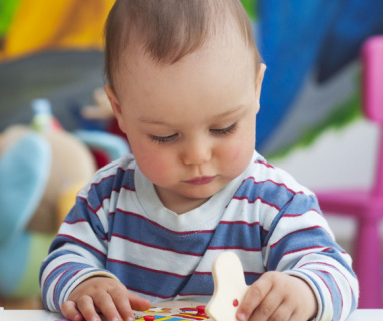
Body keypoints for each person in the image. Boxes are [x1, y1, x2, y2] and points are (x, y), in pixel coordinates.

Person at [39, 1, 359, 321]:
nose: (197, 156)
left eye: (223, 128)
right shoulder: (106, 196)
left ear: (256, 89)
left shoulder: (277, 202)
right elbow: (60, 262)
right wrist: (85, 283)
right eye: (165, 136)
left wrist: (304, 291)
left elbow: (337, 275)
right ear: (119, 110)